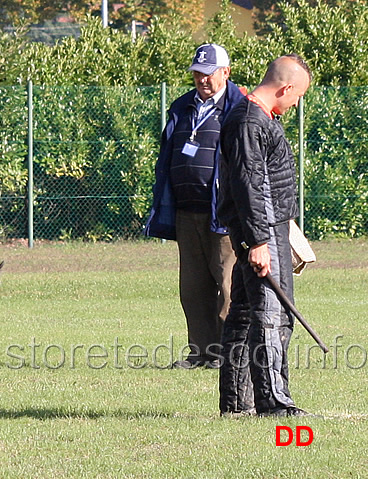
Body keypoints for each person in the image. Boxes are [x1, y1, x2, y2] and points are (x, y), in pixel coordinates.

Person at [218, 54, 313, 417]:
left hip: (268, 227)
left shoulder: (252, 118)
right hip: (261, 231)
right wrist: (259, 241)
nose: (296, 103)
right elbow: (248, 185)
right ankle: (274, 403)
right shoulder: (248, 121)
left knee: (243, 314)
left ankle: (236, 403)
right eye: (297, 96)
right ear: (285, 87)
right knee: (271, 315)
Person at [144, 44, 244, 369]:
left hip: (223, 214)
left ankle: (229, 354)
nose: (201, 79)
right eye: (197, 73)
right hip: (187, 212)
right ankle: (201, 353)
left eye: (208, 72)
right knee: (193, 287)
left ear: (225, 73)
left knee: (227, 284)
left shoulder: (239, 108)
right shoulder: (182, 106)